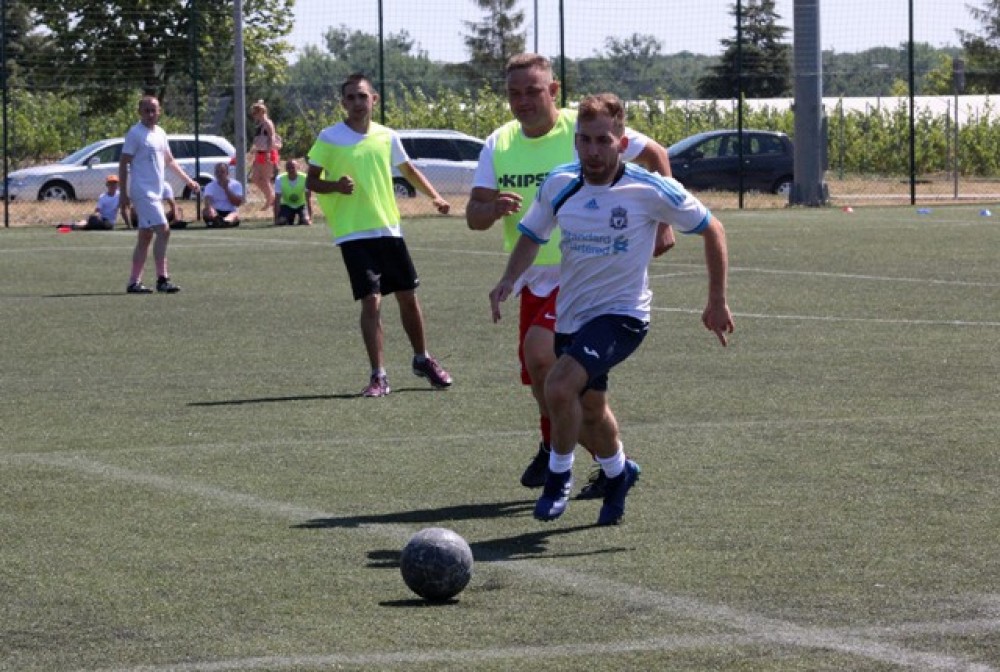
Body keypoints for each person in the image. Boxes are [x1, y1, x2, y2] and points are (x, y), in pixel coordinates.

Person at [489, 93, 734, 526]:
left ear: (621, 142)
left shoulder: (649, 188)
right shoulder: (560, 184)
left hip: (623, 316)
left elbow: (713, 228)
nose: (593, 150)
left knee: (559, 385)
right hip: (573, 316)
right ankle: (619, 474)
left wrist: (716, 300)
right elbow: (532, 234)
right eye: (585, 140)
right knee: (590, 414)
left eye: (603, 140)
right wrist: (509, 278)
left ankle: (557, 479)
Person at [466, 52, 677, 498]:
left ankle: (557, 456)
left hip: (582, 276)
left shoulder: (583, 129)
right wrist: (493, 208)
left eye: (532, 90)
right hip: (531, 279)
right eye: (514, 93)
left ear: (553, 90)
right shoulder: (498, 143)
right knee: (562, 388)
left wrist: (663, 223)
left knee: (543, 359)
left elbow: (655, 154)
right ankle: (611, 464)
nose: (523, 100)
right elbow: (474, 215)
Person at [305, 73, 453, 398]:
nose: (357, 102)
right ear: (343, 103)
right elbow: (311, 181)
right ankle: (379, 375)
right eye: (351, 97)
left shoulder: (387, 136)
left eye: (362, 96)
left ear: (374, 99)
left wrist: (435, 197)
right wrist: (335, 186)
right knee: (371, 300)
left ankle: (422, 359)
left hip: (388, 229)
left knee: (408, 296)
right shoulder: (330, 137)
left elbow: (409, 170)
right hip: (353, 233)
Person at [119, 95, 200, 294]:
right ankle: (162, 279)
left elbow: (169, 160)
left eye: (153, 110)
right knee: (163, 230)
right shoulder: (135, 133)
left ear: (159, 111)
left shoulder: (161, 133)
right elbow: (123, 162)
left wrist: (188, 181)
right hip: (142, 191)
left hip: (156, 192)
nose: (150, 114)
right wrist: (123, 194)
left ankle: (133, 282)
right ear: (140, 112)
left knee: (145, 236)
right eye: (146, 110)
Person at [249, 100, 280, 210]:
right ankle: (271, 196)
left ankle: (270, 199)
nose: (254, 115)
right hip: (259, 153)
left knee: (265, 178)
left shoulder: (267, 123)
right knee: (255, 178)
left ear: (261, 112)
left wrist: (268, 153)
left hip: (267, 153)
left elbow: (271, 138)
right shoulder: (259, 125)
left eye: (255, 113)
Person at [201, 161, 244, 228]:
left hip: (230, 212)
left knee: (235, 215)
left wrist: (226, 188)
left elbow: (237, 203)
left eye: (222, 172)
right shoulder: (209, 186)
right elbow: (207, 200)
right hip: (215, 212)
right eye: (217, 172)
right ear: (215, 173)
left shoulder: (236, 184)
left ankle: (224, 221)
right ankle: (217, 220)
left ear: (227, 173)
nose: (219, 174)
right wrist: (210, 209)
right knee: (205, 211)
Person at [273, 159, 312, 226]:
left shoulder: (305, 178)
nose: (291, 170)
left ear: (298, 168)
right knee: (281, 222)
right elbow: (277, 200)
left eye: (293, 167)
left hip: (301, 205)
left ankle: (302, 219)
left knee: (306, 221)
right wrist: (276, 219)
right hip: (287, 205)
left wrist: (310, 218)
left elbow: (308, 199)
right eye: (288, 168)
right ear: (286, 169)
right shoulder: (279, 179)